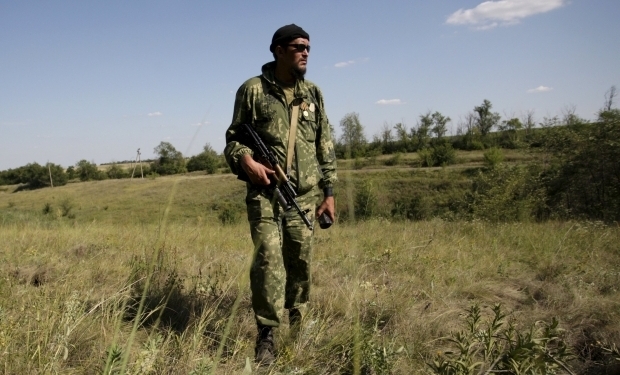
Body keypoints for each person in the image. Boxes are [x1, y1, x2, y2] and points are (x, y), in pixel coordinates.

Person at [224, 24, 337, 365]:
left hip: (304, 196)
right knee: (269, 261)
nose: (305, 52)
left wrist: (329, 192)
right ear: (277, 50)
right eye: (299, 46)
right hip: (265, 196)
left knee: (300, 263)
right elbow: (233, 138)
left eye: (308, 47)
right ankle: (267, 335)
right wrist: (246, 161)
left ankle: (298, 328)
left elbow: (325, 144)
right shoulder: (253, 90)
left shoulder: (313, 94)